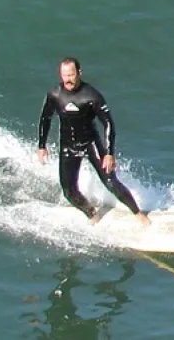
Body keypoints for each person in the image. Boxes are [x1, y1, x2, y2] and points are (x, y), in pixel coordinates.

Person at [37, 57, 151, 226]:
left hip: (91, 144)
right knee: (69, 191)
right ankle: (91, 214)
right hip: (68, 146)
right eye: (64, 75)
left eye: (71, 75)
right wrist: (42, 146)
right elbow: (45, 119)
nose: (68, 79)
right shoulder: (54, 94)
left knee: (111, 183)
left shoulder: (91, 96)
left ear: (79, 73)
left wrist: (109, 153)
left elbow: (108, 123)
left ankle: (138, 214)